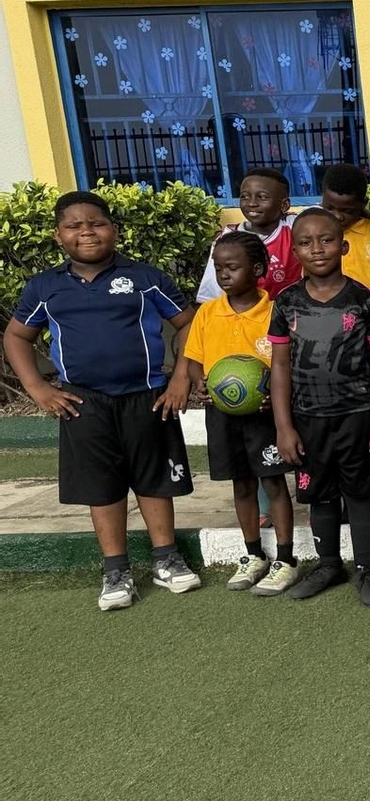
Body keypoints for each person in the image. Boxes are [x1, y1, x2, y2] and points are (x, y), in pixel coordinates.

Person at [4, 191, 201, 611]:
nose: (86, 232)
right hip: (82, 402)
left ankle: (166, 558)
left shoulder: (145, 278)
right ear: (59, 236)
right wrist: (38, 389)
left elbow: (187, 325)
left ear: (113, 229)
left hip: (147, 396)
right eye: (74, 226)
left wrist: (181, 377)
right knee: (102, 486)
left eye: (95, 223)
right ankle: (116, 570)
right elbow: (17, 337)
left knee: (153, 479)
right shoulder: (46, 287)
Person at [267, 207, 370, 606]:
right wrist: (284, 427)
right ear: (295, 249)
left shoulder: (366, 301)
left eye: (325, 240)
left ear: (342, 246)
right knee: (319, 496)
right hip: (308, 420)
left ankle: (366, 570)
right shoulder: (286, 303)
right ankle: (328, 564)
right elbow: (280, 368)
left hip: (359, 417)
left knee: (360, 493)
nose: (317, 249)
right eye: (305, 242)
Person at [182, 231, 299, 595]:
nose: (224, 274)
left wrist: (276, 397)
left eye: (232, 267)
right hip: (222, 415)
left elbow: (288, 364)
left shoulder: (276, 312)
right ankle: (253, 554)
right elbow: (192, 359)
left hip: (265, 415)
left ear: (259, 269)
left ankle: (285, 558)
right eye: (219, 268)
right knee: (241, 483)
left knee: (274, 482)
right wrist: (199, 382)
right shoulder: (207, 312)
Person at [197, 166, 300, 301]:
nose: (251, 203)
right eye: (244, 196)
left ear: (284, 205)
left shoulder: (296, 226)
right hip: (247, 318)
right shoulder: (227, 239)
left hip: (295, 316)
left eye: (262, 197)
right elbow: (210, 298)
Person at [319, 163, 370, 298]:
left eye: (347, 211)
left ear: (363, 204)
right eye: (329, 208)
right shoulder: (314, 230)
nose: (337, 216)